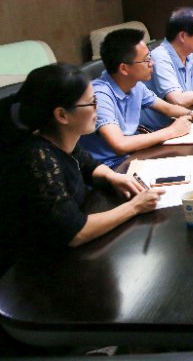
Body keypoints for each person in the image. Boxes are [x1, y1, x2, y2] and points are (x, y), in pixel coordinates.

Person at [0, 64, 164, 275]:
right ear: (62, 115)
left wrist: (113, 177)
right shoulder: (39, 157)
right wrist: (135, 207)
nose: (98, 108)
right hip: (39, 271)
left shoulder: (62, 138)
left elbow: (87, 164)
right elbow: (74, 232)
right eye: (92, 102)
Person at [80, 29, 193, 168]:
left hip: (132, 156)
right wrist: (172, 131)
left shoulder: (135, 85)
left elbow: (167, 108)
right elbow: (120, 145)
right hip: (109, 166)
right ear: (124, 68)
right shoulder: (99, 95)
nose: (152, 63)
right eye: (146, 59)